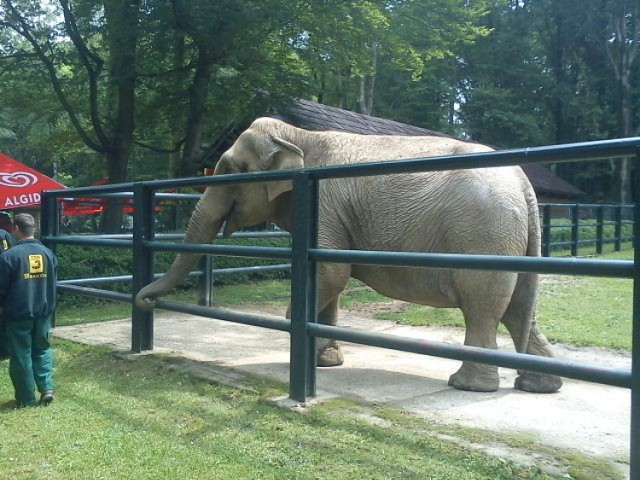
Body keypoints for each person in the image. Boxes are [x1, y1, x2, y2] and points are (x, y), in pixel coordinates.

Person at [0, 213, 58, 407]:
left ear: (16, 228)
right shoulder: (48, 254)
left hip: (18, 314)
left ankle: (26, 398)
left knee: (21, 354)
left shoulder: (8, 256)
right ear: (33, 229)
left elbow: (1, 288)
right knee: (42, 348)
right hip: (43, 311)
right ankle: (47, 389)